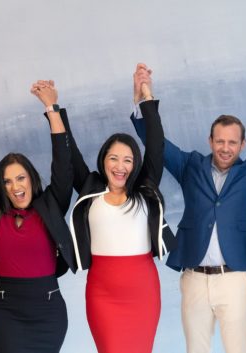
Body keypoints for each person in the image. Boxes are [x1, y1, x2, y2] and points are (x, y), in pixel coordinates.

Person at [130, 64, 246, 353]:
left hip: (234, 278)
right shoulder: (189, 165)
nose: (225, 148)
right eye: (220, 141)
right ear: (210, 141)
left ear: (242, 143)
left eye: (232, 142)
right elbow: (155, 141)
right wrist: (143, 98)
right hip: (194, 278)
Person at [0, 81, 77, 353]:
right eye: (7, 181)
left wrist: (51, 108)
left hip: (49, 312)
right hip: (6, 312)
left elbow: (63, 165)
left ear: (31, 179)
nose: (15, 186)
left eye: (20, 178)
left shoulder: (50, 205)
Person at [66, 64, 176, 353]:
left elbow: (156, 145)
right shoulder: (90, 188)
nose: (120, 166)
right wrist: (53, 110)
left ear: (135, 164)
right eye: (113, 158)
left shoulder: (144, 189)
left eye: (127, 160)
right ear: (104, 160)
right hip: (102, 292)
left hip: (143, 290)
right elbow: (70, 152)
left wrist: (145, 97)